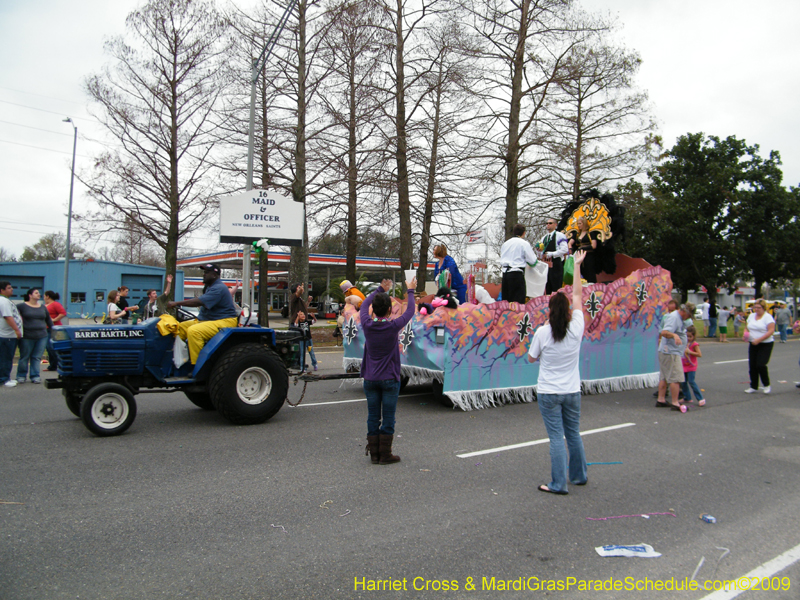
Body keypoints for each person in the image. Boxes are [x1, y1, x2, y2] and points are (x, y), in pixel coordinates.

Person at [527, 250, 588, 495]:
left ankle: (558, 483)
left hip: (549, 392)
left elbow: (531, 358)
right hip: (572, 390)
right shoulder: (577, 327)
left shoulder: (543, 332)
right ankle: (579, 476)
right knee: (573, 433)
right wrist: (577, 265)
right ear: (569, 311)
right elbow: (578, 294)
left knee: (556, 437)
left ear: (550, 311)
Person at [361, 275, 417, 465]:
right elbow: (410, 311)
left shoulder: (367, 324)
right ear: (388, 310)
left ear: (374, 310)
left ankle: (374, 454)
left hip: (370, 378)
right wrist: (410, 290)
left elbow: (363, 305)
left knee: (373, 416)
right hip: (390, 379)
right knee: (388, 418)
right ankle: (385, 454)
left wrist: (379, 290)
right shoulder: (393, 326)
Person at [168, 264, 239, 365]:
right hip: (210, 320)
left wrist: (176, 303)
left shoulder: (218, 288)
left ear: (214, 275)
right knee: (179, 328)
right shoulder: (210, 287)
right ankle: (178, 359)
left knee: (194, 331)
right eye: (204, 272)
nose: (204, 275)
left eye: (206, 272)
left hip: (225, 321)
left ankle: (198, 366)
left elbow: (200, 301)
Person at [655, 301, 694, 412]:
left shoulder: (679, 318)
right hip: (670, 352)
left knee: (664, 376)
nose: (689, 318)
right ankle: (675, 402)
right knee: (675, 378)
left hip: (668, 351)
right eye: (689, 315)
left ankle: (661, 399)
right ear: (684, 311)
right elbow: (664, 332)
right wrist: (674, 335)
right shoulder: (674, 317)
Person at [16, 289, 53, 384]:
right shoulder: (21, 306)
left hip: (42, 336)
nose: (39, 294)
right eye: (36, 293)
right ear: (30, 295)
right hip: (27, 336)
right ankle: (21, 375)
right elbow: (14, 317)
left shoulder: (42, 307)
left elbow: (48, 320)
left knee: (36, 357)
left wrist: (53, 330)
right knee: (25, 356)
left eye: (39, 293)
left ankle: (35, 376)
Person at [499, 223, 537, 304]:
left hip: (505, 274)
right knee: (518, 303)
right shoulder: (523, 243)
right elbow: (533, 261)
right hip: (516, 274)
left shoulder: (506, 244)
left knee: (506, 303)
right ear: (524, 233)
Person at [744, 298, 775, 394]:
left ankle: (766, 385)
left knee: (761, 364)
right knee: (752, 365)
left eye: (759, 307)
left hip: (765, 344)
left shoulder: (768, 317)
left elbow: (771, 331)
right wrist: (745, 334)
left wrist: (759, 340)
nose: (756, 309)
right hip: (753, 343)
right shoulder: (752, 316)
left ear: (764, 308)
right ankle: (753, 386)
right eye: (755, 307)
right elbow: (747, 326)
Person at [288, 283, 318, 371]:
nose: (301, 289)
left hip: (303, 323)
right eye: (298, 288)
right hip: (296, 324)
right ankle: (296, 362)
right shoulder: (294, 297)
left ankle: (300, 362)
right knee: (298, 344)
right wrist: (300, 289)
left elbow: (304, 308)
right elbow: (298, 293)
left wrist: (308, 301)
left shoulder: (299, 300)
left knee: (303, 344)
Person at [0, 281, 23, 387]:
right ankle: (4, 379)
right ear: (2, 290)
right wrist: (17, 330)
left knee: (5, 357)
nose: (12, 289)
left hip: (7, 335)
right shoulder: (4, 301)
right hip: (7, 335)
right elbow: (8, 317)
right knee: (6, 358)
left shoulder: (5, 300)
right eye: (9, 288)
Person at [539, 217, 569, 294]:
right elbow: (540, 253)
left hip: (556, 264)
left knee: (556, 286)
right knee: (547, 286)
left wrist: (552, 254)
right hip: (546, 265)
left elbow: (565, 249)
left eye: (550, 223)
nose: (548, 225)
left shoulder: (560, 236)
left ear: (555, 225)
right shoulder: (544, 238)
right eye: (547, 223)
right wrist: (539, 251)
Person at [567, 217, 598, 283]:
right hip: (579, 256)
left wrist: (583, 248)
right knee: (580, 272)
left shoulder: (590, 233)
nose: (578, 225)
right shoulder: (577, 234)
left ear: (584, 224)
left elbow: (594, 245)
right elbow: (570, 243)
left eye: (580, 223)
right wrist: (570, 250)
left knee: (589, 272)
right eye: (577, 224)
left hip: (588, 256)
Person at [681, 326, 705, 407]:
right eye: (687, 336)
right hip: (684, 365)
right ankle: (687, 397)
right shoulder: (684, 343)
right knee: (683, 382)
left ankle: (700, 398)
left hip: (691, 366)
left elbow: (699, 354)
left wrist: (690, 352)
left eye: (690, 336)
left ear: (694, 336)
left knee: (691, 381)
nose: (688, 338)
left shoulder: (694, 344)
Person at [43, 291, 67, 371]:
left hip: (54, 328)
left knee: (52, 347)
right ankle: (52, 365)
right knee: (48, 347)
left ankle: (58, 364)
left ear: (47, 296)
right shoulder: (45, 305)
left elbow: (63, 313)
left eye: (44, 296)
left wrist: (54, 320)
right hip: (45, 328)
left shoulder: (55, 304)